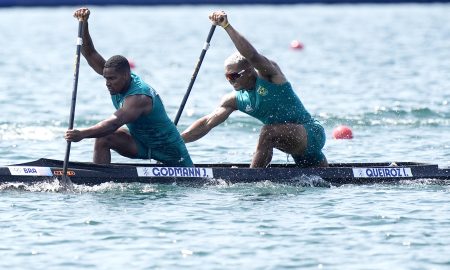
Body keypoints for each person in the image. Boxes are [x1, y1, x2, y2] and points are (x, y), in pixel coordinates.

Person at [181, 11, 327, 168]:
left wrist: (226, 26)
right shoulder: (234, 100)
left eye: (234, 76)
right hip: (295, 144)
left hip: (311, 133)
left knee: (267, 132)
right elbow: (207, 123)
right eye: (227, 77)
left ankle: (252, 178)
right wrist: (175, 139)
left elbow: (252, 55)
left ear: (250, 71)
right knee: (329, 180)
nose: (230, 81)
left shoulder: (270, 76)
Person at [65, 8, 193, 167]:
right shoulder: (116, 77)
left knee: (105, 132)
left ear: (126, 75)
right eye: (105, 78)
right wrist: (84, 24)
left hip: (172, 154)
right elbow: (90, 54)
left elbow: (113, 123)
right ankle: (99, 179)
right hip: (142, 144)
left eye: (111, 79)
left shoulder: (139, 97)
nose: (107, 83)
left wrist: (82, 134)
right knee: (103, 139)